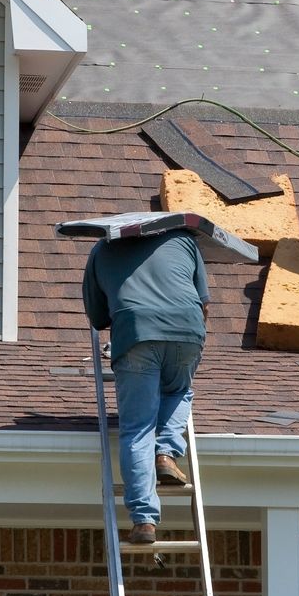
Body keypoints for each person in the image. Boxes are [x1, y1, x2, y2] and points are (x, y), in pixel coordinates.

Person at [82, 229, 210, 546]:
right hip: (187, 327)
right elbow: (204, 304)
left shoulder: (102, 249)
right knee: (178, 391)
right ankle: (166, 454)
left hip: (136, 331)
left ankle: (144, 520)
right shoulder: (183, 240)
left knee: (138, 428)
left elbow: (98, 318)